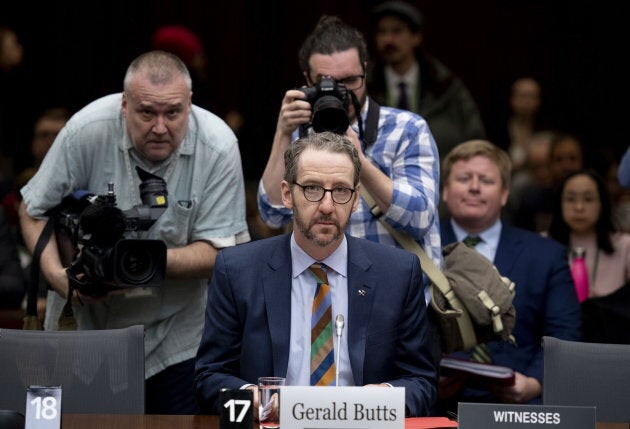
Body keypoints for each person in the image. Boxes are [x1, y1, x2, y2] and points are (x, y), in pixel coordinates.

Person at [19, 50, 250, 414]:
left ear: (190, 104)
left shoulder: (218, 145)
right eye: (146, 113)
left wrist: (141, 261)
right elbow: (31, 211)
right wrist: (61, 279)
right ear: (124, 105)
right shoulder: (86, 129)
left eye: (173, 112)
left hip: (175, 339)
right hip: (82, 331)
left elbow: (222, 252)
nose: (160, 126)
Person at [195, 131, 437, 417]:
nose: (326, 206)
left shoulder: (397, 273)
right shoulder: (237, 270)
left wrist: (383, 394)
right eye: (312, 188)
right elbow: (210, 376)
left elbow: (422, 382)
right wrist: (252, 399)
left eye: (340, 191)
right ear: (287, 194)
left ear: (356, 198)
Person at [257, 15, 442, 285]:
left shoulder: (407, 128)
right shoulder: (298, 135)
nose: (342, 92)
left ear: (365, 70)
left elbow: (420, 218)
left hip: (398, 301)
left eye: (351, 80)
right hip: (325, 299)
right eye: (327, 81)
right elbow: (273, 215)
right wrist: (283, 132)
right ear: (308, 80)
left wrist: (360, 161)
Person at [438, 140, 581, 408]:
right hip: (436, 403)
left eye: (486, 180)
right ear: (445, 190)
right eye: (464, 178)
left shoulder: (546, 256)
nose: (474, 187)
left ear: (504, 193)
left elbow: (564, 333)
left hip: (522, 406)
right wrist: (427, 377)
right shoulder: (417, 251)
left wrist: (534, 382)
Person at [367, 1, 486, 158]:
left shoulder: (446, 86)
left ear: (416, 38)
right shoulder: (364, 87)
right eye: (382, 32)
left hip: (440, 177)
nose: (388, 39)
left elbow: (476, 141)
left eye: (397, 31)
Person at [547, 169, 630, 298]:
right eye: (570, 199)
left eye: (588, 199)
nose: (579, 207)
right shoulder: (542, 244)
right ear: (559, 204)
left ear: (602, 204)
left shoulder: (625, 245)